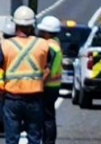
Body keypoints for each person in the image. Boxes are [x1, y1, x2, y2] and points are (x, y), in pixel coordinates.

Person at [0, 6, 54, 144]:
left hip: (12, 98)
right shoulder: (42, 44)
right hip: (34, 97)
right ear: (32, 25)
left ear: (15, 25)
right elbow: (48, 69)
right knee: (34, 138)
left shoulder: (6, 45)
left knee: (12, 138)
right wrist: (40, 83)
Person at [36, 16, 63, 144]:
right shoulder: (56, 43)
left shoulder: (50, 47)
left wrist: (39, 85)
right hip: (54, 85)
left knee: (46, 118)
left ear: (47, 33)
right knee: (49, 116)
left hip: (47, 86)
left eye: (42, 31)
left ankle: (48, 141)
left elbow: (47, 69)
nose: (39, 33)